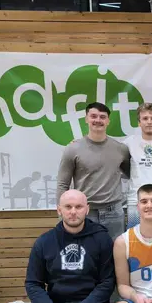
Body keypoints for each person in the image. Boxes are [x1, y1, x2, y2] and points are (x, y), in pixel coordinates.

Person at [57, 102, 130, 241]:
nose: (98, 120)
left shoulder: (121, 149)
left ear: (108, 121)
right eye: (93, 116)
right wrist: (62, 214)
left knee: (115, 251)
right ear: (86, 119)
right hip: (84, 213)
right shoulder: (73, 149)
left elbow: (132, 174)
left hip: (114, 213)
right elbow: (62, 184)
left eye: (102, 117)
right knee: (84, 252)